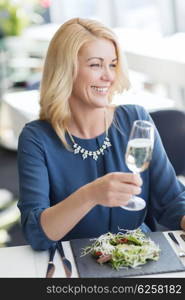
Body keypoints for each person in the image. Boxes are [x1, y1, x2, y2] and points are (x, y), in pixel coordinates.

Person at [17, 18, 185, 251]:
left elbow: (171, 200)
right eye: (96, 65)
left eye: (113, 64)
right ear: (66, 70)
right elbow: (36, 233)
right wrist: (90, 195)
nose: (109, 76)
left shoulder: (135, 119)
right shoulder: (37, 138)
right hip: (75, 267)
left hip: (138, 258)